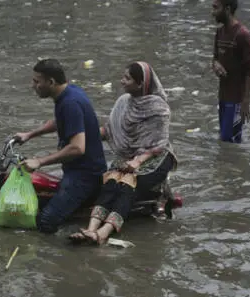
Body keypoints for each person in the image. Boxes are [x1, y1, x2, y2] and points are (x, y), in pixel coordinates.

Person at [69, 61, 177, 245]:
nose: (122, 81)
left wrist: (138, 161)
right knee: (110, 181)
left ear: (140, 84)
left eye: (127, 78)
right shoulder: (123, 102)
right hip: (128, 156)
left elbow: (158, 144)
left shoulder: (159, 109)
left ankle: (103, 233)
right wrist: (83, 139)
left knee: (127, 186)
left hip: (155, 158)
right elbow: (110, 130)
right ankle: (91, 229)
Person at [16, 58, 107, 234]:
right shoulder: (68, 93)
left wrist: (40, 161)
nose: (32, 85)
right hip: (75, 170)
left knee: (46, 220)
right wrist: (29, 135)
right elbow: (59, 121)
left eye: (36, 81)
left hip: (84, 176)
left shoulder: (70, 103)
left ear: (50, 82)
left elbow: (77, 148)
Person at [211, 0, 250, 143]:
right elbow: (215, 58)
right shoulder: (220, 32)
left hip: (236, 100)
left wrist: (246, 101)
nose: (213, 12)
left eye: (216, 8)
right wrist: (215, 65)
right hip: (222, 96)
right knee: (224, 140)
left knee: (230, 142)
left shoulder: (243, 35)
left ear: (227, 9)